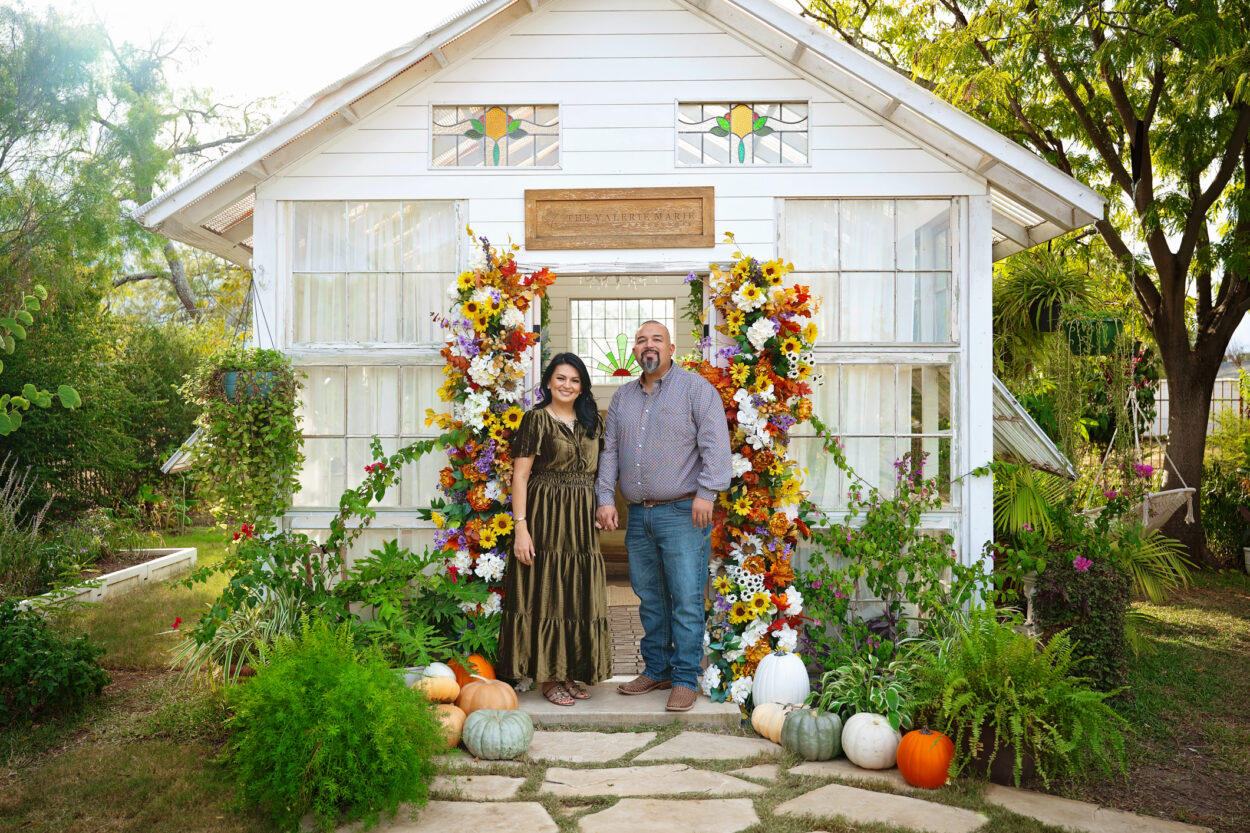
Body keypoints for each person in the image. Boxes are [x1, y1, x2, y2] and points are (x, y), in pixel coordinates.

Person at [595, 321, 732, 711]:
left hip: (684, 513)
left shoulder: (696, 390)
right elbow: (609, 452)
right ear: (635, 351)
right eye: (641, 340)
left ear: (671, 348)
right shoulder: (623, 397)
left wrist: (707, 493)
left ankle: (686, 677)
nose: (647, 345)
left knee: (686, 599)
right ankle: (657, 669)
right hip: (639, 516)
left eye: (656, 339)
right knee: (650, 599)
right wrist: (605, 497)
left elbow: (716, 446)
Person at [497, 353, 612, 706]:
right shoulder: (536, 420)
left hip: (580, 518)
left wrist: (600, 505)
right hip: (546, 515)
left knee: (577, 592)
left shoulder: (592, 421)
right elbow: (520, 476)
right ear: (549, 382)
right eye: (561, 378)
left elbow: (601, 469)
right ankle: (548, 678)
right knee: (548, 591)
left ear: (582, 386)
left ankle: (570, 671)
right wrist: (521, 529)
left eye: (575, 380)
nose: (567, 385)